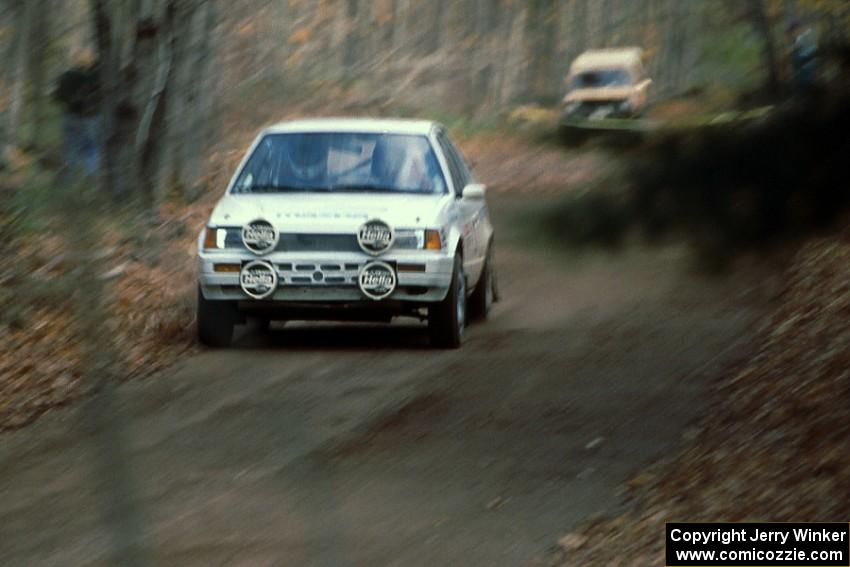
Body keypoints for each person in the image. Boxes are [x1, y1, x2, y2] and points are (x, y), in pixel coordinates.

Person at [54, 56, 100, 177]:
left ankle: (68, 182)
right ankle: (89, 179)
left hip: (69, 115)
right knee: (91, 148)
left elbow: (56, 97)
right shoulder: (94, 79)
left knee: (70, 149)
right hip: (88, 118)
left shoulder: (69, 76)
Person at [787, 19, 818, 93]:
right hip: (804, 68)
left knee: (807, 84)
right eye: (791, 32)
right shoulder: (800, 37)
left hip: (808, 65)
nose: (792, 33)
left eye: (793, 31)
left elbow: (812, 49)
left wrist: (798, 56)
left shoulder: (806, 35)